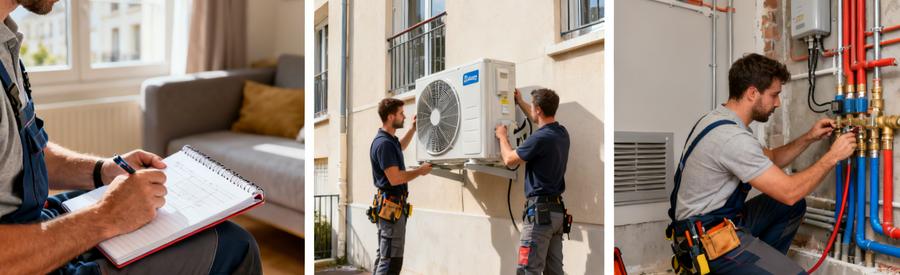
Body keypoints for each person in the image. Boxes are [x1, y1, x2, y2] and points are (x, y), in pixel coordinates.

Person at [0, 0, 261, 273]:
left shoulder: (6, 39)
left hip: (33, 221)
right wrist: (105, 217)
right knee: (236, 247)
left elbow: (23, 153)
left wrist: (102, 170)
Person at [666, 53, 856, 274]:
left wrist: (809, 137)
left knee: (791, 207)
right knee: (791, 205)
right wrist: (833, 156)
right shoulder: (733, 139)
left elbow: (772, 158)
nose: (777, 103)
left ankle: (760, 265)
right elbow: (790, 191)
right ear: (752, 93)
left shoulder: (717, 119)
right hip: (706, 241)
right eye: (774, 95)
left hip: (713, 223)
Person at [496, 88, 571, 275]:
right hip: (556, 214)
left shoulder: (539, 138)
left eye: (532, 106)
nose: (530, 109)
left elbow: (509, 159)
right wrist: (521, 102)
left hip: (539, 215)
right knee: (554, 272)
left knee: (528, 270)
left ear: (538, 109)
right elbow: (539, 123)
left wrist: (502, 137)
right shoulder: (562, 133)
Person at [369, 98, 433, 275]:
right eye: (401, 113)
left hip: (390, 208)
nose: (404, 116)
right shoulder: (384, 144)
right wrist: (420, 171)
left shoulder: (389, 141)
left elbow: (400, 146)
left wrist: (412, 129)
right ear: (391, 117)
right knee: (391, 261)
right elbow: (395, 178)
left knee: (384, 256)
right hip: (391, 208)